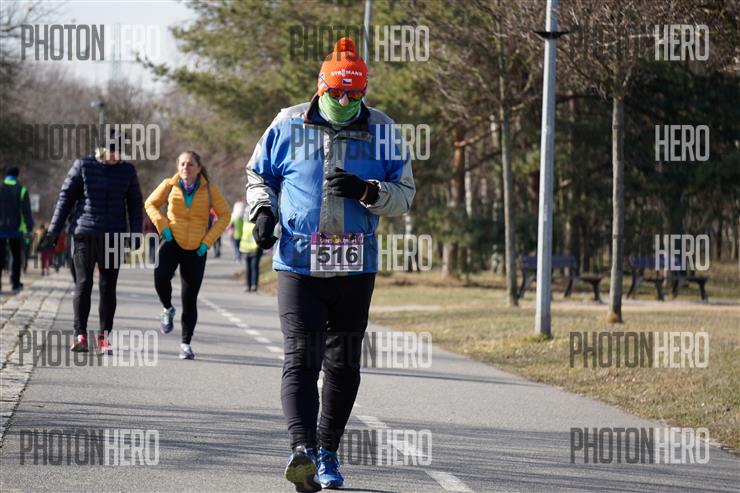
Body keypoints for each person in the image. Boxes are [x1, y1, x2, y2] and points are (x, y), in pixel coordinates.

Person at [246, 37, 415, 492]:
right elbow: (259, 174)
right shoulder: (287, 123)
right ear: (321, 87)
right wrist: (262, 211)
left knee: (342, 365)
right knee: (301, 357)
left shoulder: (382, 129)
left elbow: (405, 194)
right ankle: (300, 449)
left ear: (364, 92)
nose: (344, 101)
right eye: (337, 92)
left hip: (354, 266)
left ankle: (327, 451)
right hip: (298, 263)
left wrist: (367, 191)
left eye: (353, 94)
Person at [40, 132, 143, 353]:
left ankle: (104, 337)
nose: (116, 155)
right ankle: (80, 335)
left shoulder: (127, 170)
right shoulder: (83, 165)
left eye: (120, 151)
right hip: (85, 233)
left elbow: (135, 203)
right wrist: (53, 231)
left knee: (108, 287)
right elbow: (65, 198)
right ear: (102, 149)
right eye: (112, 150)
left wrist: (136, 233)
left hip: (114, 236)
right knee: (84, 283)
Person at [144, 151, 230, 360]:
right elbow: (150, 204)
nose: (186, 168)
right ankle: (167, 308)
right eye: (182, 164)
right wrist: (163, 227)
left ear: (199, 168)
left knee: (189, 299)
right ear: (178, 167)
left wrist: (207, 242)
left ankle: (185, 344)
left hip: (197, 249)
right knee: (160, 277)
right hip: (172, 241)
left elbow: (225, 215)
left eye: (190, 164)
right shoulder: (169, 185)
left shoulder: (209, 189)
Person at [0, 166, 34, 293]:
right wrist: (29, 227)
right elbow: (26, 211)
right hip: (16, 229)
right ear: (17, 176)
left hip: (0, 229)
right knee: (16, 257)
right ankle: (15, 284)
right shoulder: (22, 190)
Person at [239, 219, 262, 292]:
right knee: (253, 268)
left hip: (247, 249)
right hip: (253, 250)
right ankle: (252, 285)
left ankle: (250, 285)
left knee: (250, 268)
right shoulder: (257, 225)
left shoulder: (245, 225)